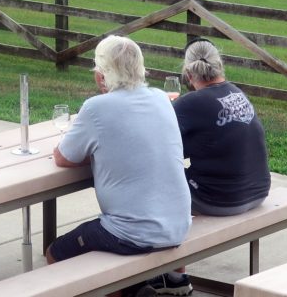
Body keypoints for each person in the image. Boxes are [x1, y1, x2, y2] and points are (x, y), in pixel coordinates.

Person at [47, 35, 192, 297]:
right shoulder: (161, 98)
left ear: (101, 76)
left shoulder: (96, 108)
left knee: (55, 253)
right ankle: (139, 290)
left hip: (131, 232)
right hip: (178, 224)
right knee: (112, 244)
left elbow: (63, 157)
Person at [145, 38, 271, 296]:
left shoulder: (191, 103)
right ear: (219, 66)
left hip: (222, 199)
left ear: (189, 74)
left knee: (156, 182)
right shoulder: (237, 92)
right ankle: (172, 275)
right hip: (257, 191)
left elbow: (155, 142)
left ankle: (172, 277)